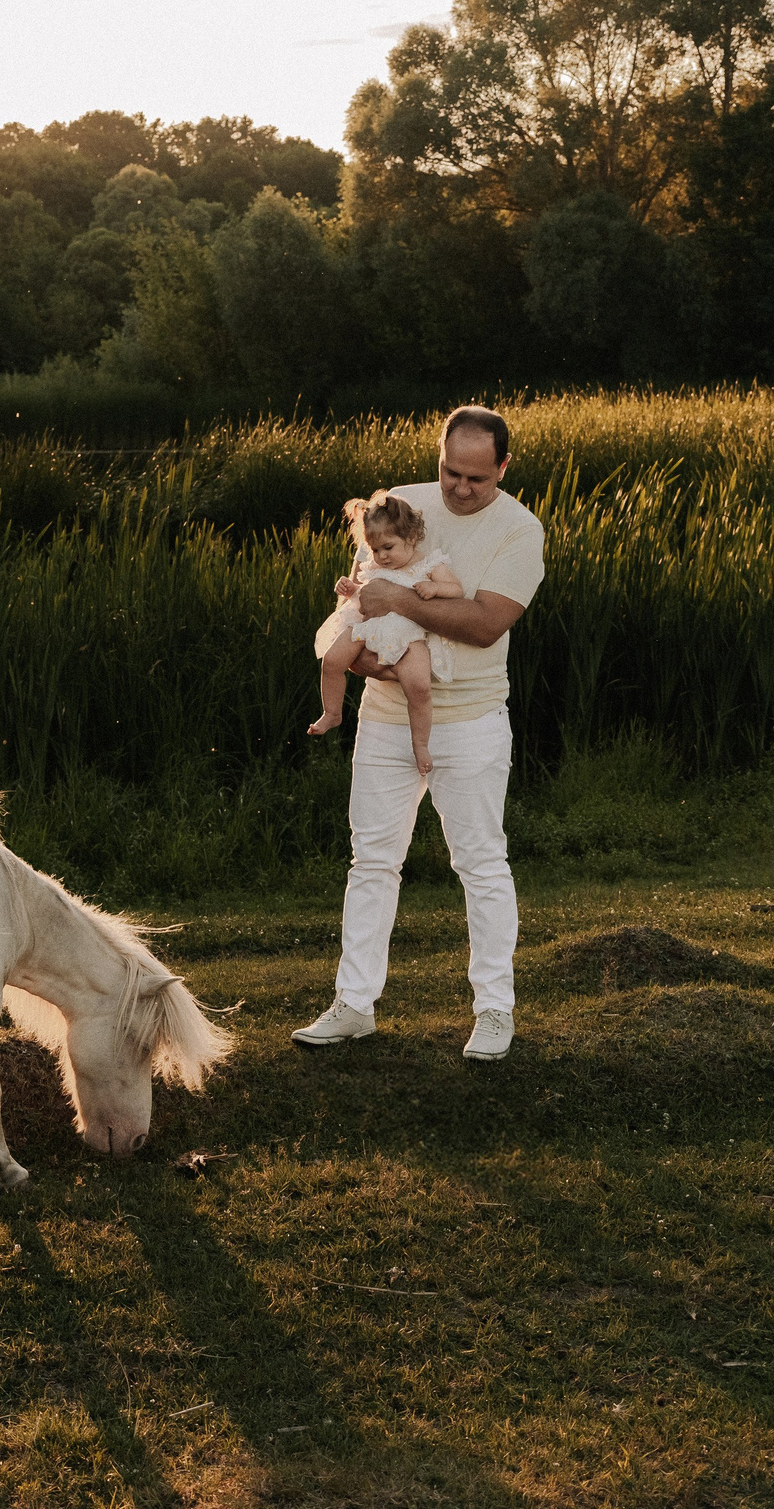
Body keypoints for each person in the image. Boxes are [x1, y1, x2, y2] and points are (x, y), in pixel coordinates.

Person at [292, 405, 545, 1062]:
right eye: (449, 472)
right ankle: (353, 1005)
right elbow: (360, 601)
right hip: (382, 719)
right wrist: (367, 660)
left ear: (503, 467)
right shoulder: (398, 504)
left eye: (476, 478)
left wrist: (405, 604)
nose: (459, 489)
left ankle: (494, 1012)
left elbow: (485, 623)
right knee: (371, 861)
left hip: (473, 723)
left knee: (481, 865)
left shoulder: (521, 529)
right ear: (438, 456)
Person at [308, 491, 463, 774]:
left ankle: (420, 744)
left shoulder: (428, 564)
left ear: (412, 537)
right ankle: (332, 713)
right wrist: (350, 588)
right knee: (331, 661)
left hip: (410, 636)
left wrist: (435, 588)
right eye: (375, 549)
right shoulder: (374, 565)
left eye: (388, 548)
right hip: (368, 628)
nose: (381, 556)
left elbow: (456, 590)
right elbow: (364, 594)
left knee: (419, 688)